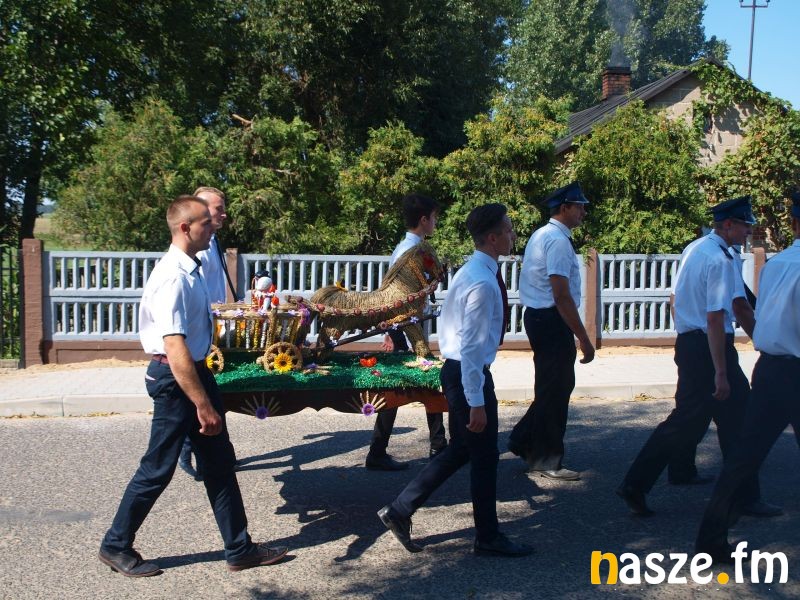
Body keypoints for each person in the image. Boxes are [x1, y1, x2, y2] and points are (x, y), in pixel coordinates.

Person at [98, 195, 287, 576]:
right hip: (177, 380)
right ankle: (115, 545)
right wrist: (202, 403)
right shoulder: (173, 277)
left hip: (195, 373)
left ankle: (239, 548)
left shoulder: (191, 268)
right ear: (185, 228)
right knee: (158, 468)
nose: (213, 225)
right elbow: (174, 347)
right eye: (206, 221)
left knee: (219, 463)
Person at [377, 203, 533, 557]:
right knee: (485, 456)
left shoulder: (473, 270)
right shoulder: (481, 282)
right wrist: (476, 401)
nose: (513, 235)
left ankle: (400, 510)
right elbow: (472, 346)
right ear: (492, 238)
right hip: (467, 373)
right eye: (508, 230)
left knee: (464, 449)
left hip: (461, 371)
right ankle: (487, 536)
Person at [617, 196, 780, 518]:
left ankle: (639, 483)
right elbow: (719, 316)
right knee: (730, 420)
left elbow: (677, 298)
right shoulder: (720, 259)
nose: (749, 232)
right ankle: (743, 497)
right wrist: (722, 370)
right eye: (745, 225)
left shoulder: (698, 249)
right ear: (728, 225)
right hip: (711, 349)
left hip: (693, 345)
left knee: (702, 420)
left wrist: (687, 339)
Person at [695, 192, 800, 562]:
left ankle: (710, 539)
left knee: (744, 456)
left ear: (793, 224)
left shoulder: (776, 264)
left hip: (770, 368)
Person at [507, 182, 595, 481]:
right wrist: (583, 337)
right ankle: (546, 460)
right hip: (551, 319)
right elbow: (561, 294)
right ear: (564, 208)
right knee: (555, 391)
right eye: (579, 206)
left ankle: (523, 439)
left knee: (552, 387)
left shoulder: (543, 234)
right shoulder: (556, 240)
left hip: (541, 318)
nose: (583, 212)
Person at [366, 193, 448, 471]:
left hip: (407, 323)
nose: (436, 222)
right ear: (423, 220)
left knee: (418, 380)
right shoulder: (408, 250)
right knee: (411, 381)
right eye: (434, 218)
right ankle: (434, 446)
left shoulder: (413, 247)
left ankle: (435, 445)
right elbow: (393, 294)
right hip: (404, 324)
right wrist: (391, 331)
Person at [178, 186, 235, 480]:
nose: (224, 214)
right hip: (199, 330)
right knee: (199, 390)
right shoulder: (197, 245)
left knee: (212, 389)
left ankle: (218, 452)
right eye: (218, 209)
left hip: (213, 324)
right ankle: (188, 449)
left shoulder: (212, 241)